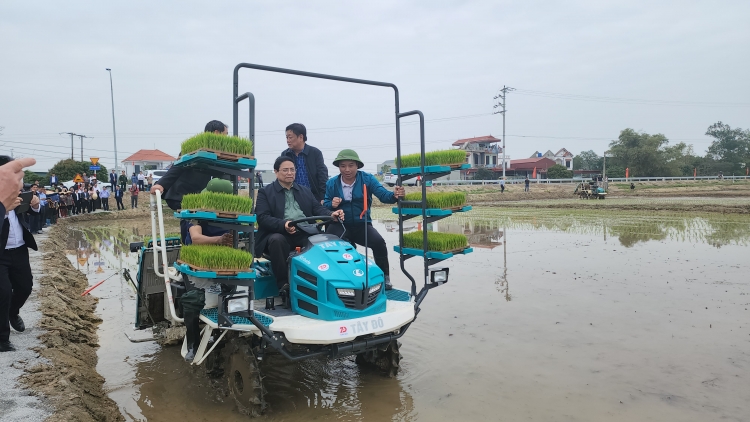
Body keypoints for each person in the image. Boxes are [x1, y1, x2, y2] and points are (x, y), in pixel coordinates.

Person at [255, 156, 344, 295]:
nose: (289, 173)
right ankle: (284, 284)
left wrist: (332, 214)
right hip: (279, 233)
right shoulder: (265, 192)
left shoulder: (304, 191)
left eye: (292, 170)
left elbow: (318, 209)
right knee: (277, 240)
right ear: (276, 172)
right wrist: (283, 224)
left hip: (304, 232)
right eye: (285, 170)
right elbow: (262, 217)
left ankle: (326, 282)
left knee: (324, 241)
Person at [324, 150, 404, 290]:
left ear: (357, 166)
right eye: (343, 166)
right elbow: (324, 204)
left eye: (351, 165)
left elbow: (384, 195)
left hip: (362, 224)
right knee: (331, 247)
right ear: (338, 167)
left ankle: (384, 277)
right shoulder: (332, 183)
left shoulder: (367, 179)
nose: (347, 169)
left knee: (379, 243)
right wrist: (332, 204)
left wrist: (394, 195)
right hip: (340, 224)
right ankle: (338, 280)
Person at [152, 120, 230, 242]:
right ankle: (189, 245)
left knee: (197, 220)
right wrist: (161, 184)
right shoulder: (195, 147)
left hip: (197, 194)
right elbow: (176, 167)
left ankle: (196, 243)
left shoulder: (215, 153)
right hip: (181, 194)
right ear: (216, 133)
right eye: (226, 134)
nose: (227, 138)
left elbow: (220, 174)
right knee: (190, 218)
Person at [1, 157, 41, 352]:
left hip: (19, 250)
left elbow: (34, 211)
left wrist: (34, 204)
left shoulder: (19, 195)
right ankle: (2, 340)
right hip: (0, 254)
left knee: (25, 287)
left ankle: (12, 312)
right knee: (3, 292)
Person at [280, 123, 329, 203]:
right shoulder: (285, 154)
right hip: (292, 198)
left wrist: (323, 197)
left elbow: (322, 176)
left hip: (313, 198)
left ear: (301, 137)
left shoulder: (315, 153)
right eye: (287, 137)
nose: (288, 140)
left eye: (290, 137)